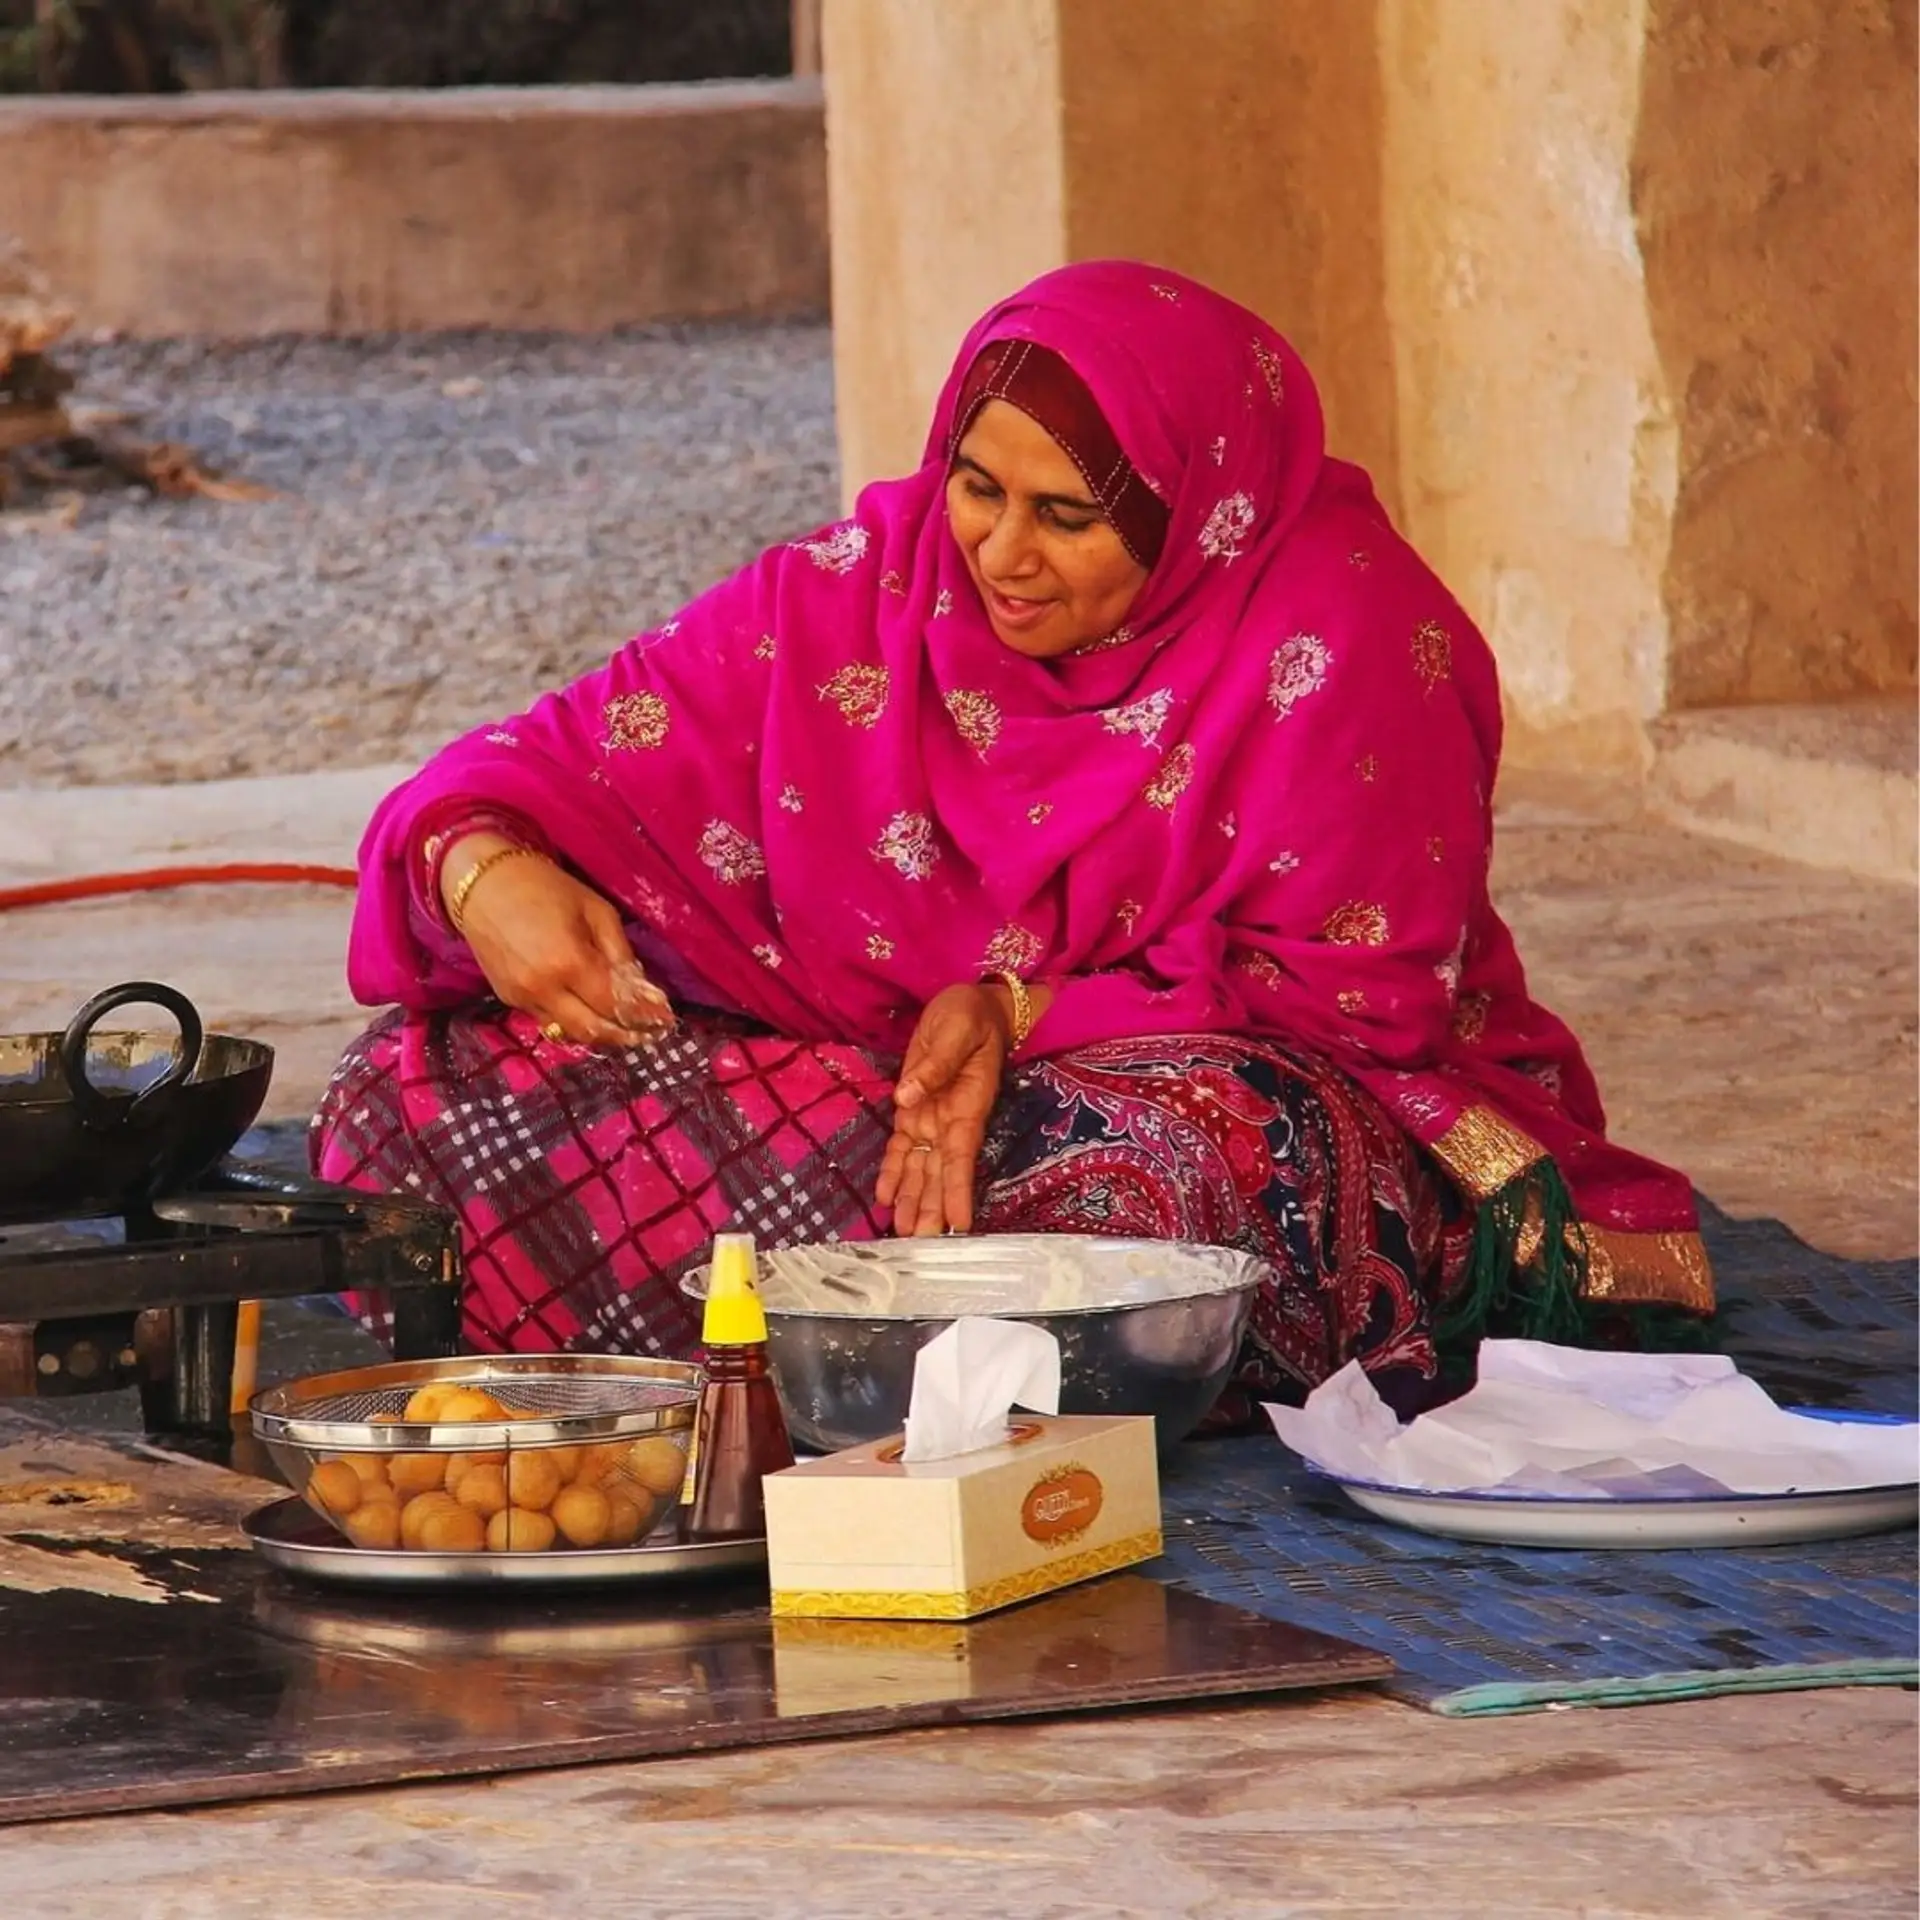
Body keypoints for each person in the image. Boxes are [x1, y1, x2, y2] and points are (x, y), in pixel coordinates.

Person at [316, 260, 1713, 1424]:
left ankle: (815, 1354)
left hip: (1184, 1094)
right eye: (978, 489)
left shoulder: (1345, 643)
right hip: (862, 1084)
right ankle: (876, 1368)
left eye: (1069, 516)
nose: (998, 555)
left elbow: (1356, 999)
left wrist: (1022, 1010)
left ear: (1196, 509)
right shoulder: (860, 594)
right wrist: (485, 873)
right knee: (408, 1093)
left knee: (1148, 1185)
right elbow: (530, 765)